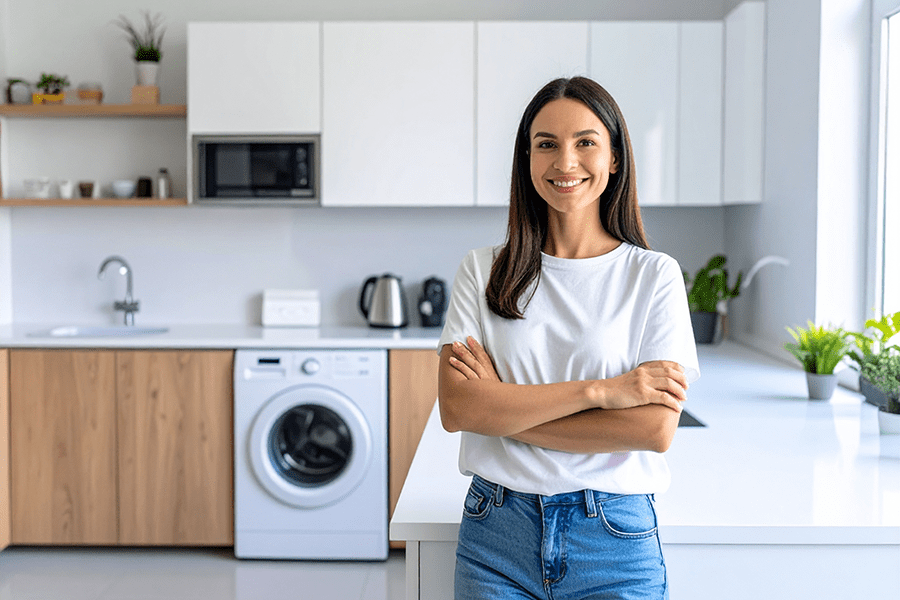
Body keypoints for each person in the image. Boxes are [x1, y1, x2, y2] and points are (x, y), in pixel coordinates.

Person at [436, 76, 700, 600]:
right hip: (496, 536)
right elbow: (459, 409)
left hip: (614, 541)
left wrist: (503, 411)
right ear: (527, 158)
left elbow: (652, 429)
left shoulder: (654, 276)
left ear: (615, 158)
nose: (565, 162)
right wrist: (602, 392)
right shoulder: (484, 271)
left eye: (585, 142)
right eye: (546, 144)